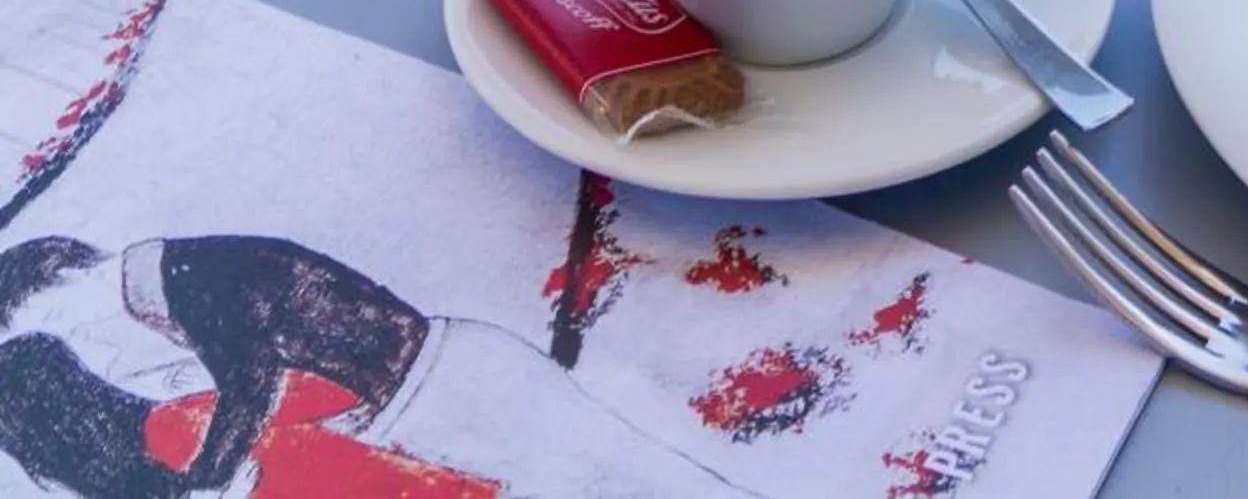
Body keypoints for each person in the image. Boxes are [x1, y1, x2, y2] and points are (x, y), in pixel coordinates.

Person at [0, 233, 734, 499]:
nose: (73, 337)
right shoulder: (178, 281)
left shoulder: (184, 279)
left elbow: (252, 380)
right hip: (435, 382)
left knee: (624, 479)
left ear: (58, 279)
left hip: (445, 386)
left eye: (48, 320)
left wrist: (206, 479)